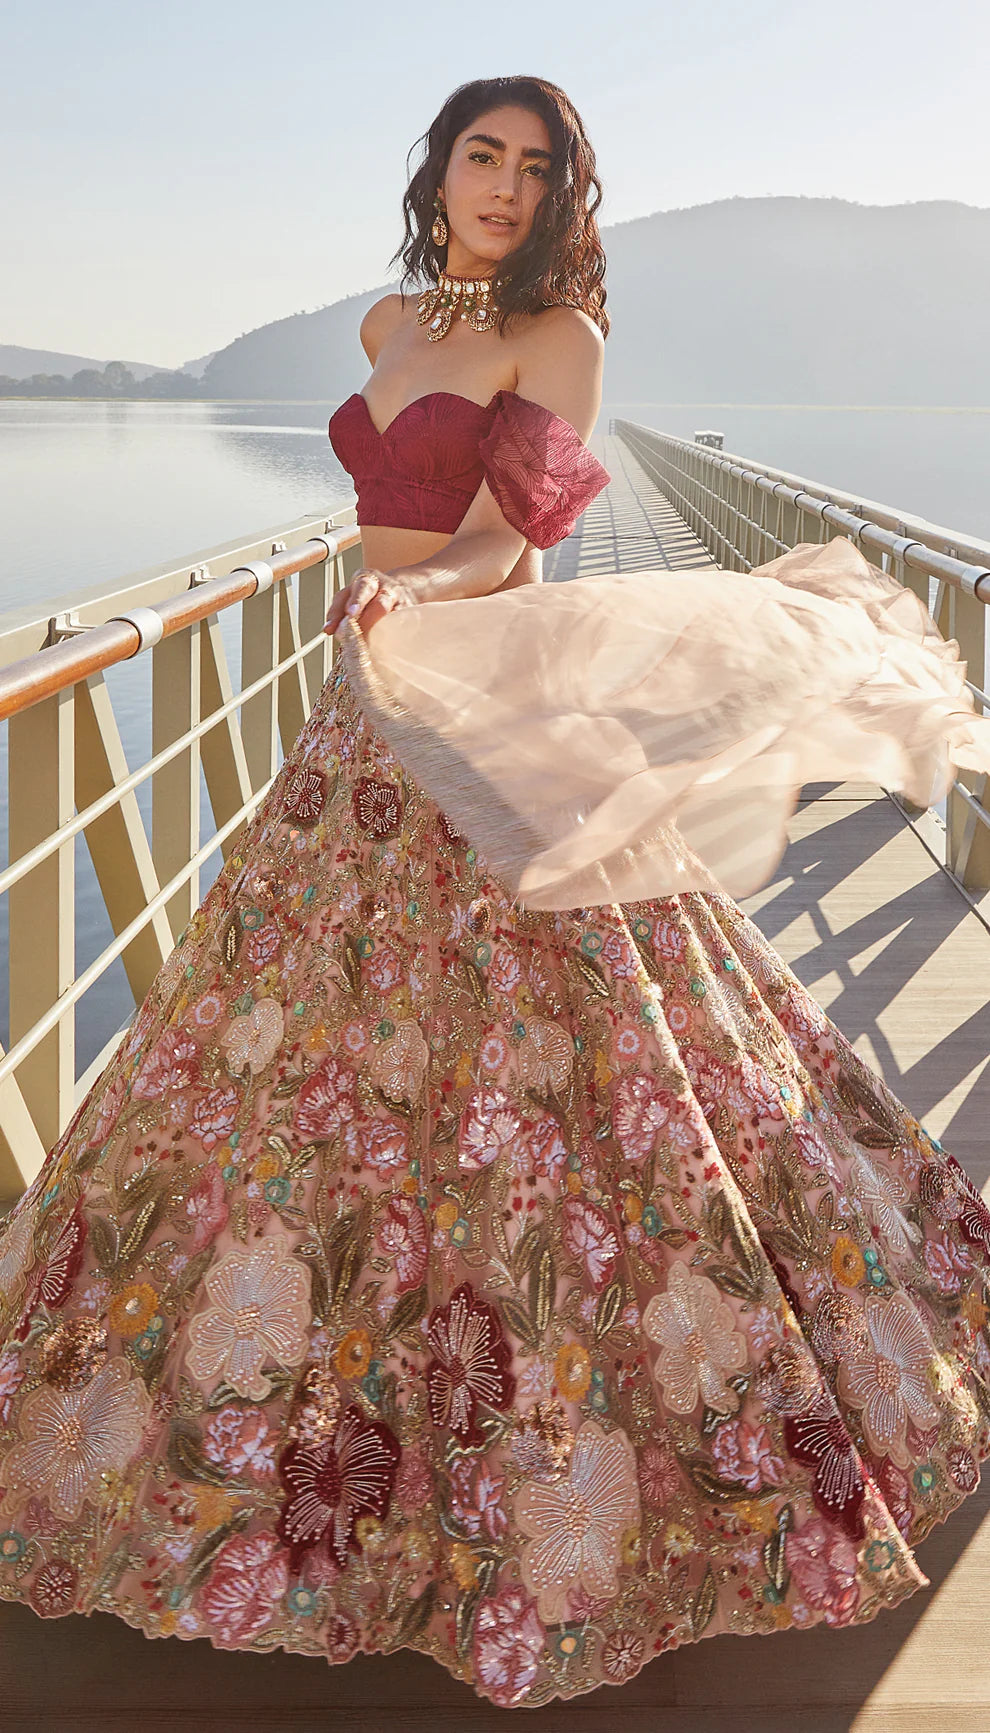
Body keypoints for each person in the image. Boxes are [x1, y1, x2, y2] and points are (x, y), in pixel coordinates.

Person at [0, 74, 988, 1713]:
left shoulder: (563, 338)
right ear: (438, 168)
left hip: (459, 691)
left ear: (560, 195)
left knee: (566, 1033)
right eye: (483, 155)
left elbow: (501, 545)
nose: (505, 186)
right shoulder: (393, 321)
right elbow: (387, 506)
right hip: (357, 727)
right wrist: (375, 608)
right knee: (289, 1044)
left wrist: (406, 608)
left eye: (536, 168)